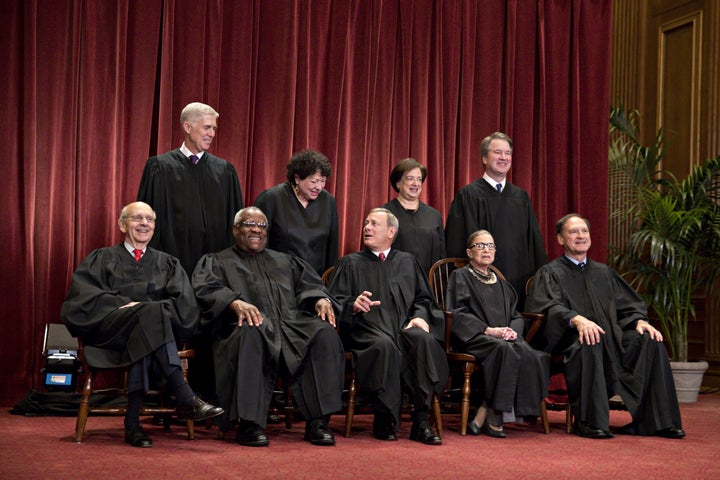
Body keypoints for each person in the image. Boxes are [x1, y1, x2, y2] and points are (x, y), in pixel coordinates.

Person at [60, 202, 224, 448]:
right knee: (152, 313)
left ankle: (133, 424)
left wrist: (144, 310)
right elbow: (81, 300)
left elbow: (186, 307)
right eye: (137, 218)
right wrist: (128, 305)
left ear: (154, 226)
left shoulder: (168, 263)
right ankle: (185, 396)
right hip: (110, 331)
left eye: (149, 219)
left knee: (149, 322)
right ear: (122, 224)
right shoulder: (101, 257)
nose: (144, 223)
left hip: (152, 335)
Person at [191, 207, 345, 447]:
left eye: (261, 225)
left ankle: (318, 422)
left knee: (323, 334)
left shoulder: (285, 260)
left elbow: (310, 285)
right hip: (243, 327)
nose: (256, 229)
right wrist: (234, 302)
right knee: (250, 332)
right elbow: (205, 290)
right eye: (248, 223)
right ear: (235, 230)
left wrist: (321, 299)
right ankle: (250, 424)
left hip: (290, 324)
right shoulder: (217, 261)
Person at [526, 213, 685, 439]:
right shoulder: (550, 273)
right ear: (560, 239)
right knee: (590, 339)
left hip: (612, 338)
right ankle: (590, 422)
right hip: (570, 340)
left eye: (584, 231)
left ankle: (659, 422)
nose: (580, 236)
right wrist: (576, 319)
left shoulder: (604, 272)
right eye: (573, 232)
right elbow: (545, 306)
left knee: (650, 340)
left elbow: (628, 306)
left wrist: (639, 320)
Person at [137, 101, 244, 402]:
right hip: (172, 266)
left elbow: (234, 224)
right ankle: (167, 393)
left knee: (211, 326)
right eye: (207, 127)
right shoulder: (159, 167)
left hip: (211, 269)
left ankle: (210, 393)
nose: (212, 133)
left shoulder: (224, 171)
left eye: (214, 128)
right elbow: (145, 220)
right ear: (187, 126)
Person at [328, 208, 449, 445]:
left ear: (391, 232)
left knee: (422, 340)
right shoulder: (350, 263)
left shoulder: (407, 262)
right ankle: (383, 417)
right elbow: (332, 301)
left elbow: (423, 299)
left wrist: (420, 316)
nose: (367, 228)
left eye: (374, 224)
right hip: (367, 331)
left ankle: (421, 421)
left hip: (404, 327)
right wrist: (353, 304)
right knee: (384, 345)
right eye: (365, 223)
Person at [446, 230, 549, 438]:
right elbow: (456, 313)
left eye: (491, 246)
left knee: (529, 353)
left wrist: (512, 332)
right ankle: (494, 420)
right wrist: (489, 330)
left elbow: (516, 315)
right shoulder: (461, 276)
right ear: (469, 252)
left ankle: (485, 410)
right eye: (480, 246)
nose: (487, 250)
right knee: (504, 350)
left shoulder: (501, 283)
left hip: (502, 339)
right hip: (473, 338)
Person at [445, 132, 546, 308]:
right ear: (484, 158)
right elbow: (456, 243)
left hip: (519, 278)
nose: (503, 157)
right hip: (480, 283)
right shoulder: (468, 195)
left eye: (507, 153)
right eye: (497, 152)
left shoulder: (520, 197)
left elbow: (534, 240)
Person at [254, 149, 338, 276]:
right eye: (314, 181)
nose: (319, 187)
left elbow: (332, 247)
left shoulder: (328, 201)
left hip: (315, 281)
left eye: (323, 181)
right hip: (277, 279)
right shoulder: (271, 199)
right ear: (297, 178)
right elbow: (258, 244)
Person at [381, 158, 445, 275]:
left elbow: (442, 255)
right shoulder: (384, 213)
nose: (416, 184)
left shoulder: (434, 215)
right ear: (398, 183)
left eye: (419, 179)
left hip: (429, 284)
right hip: (394, 283)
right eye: (410, 179)